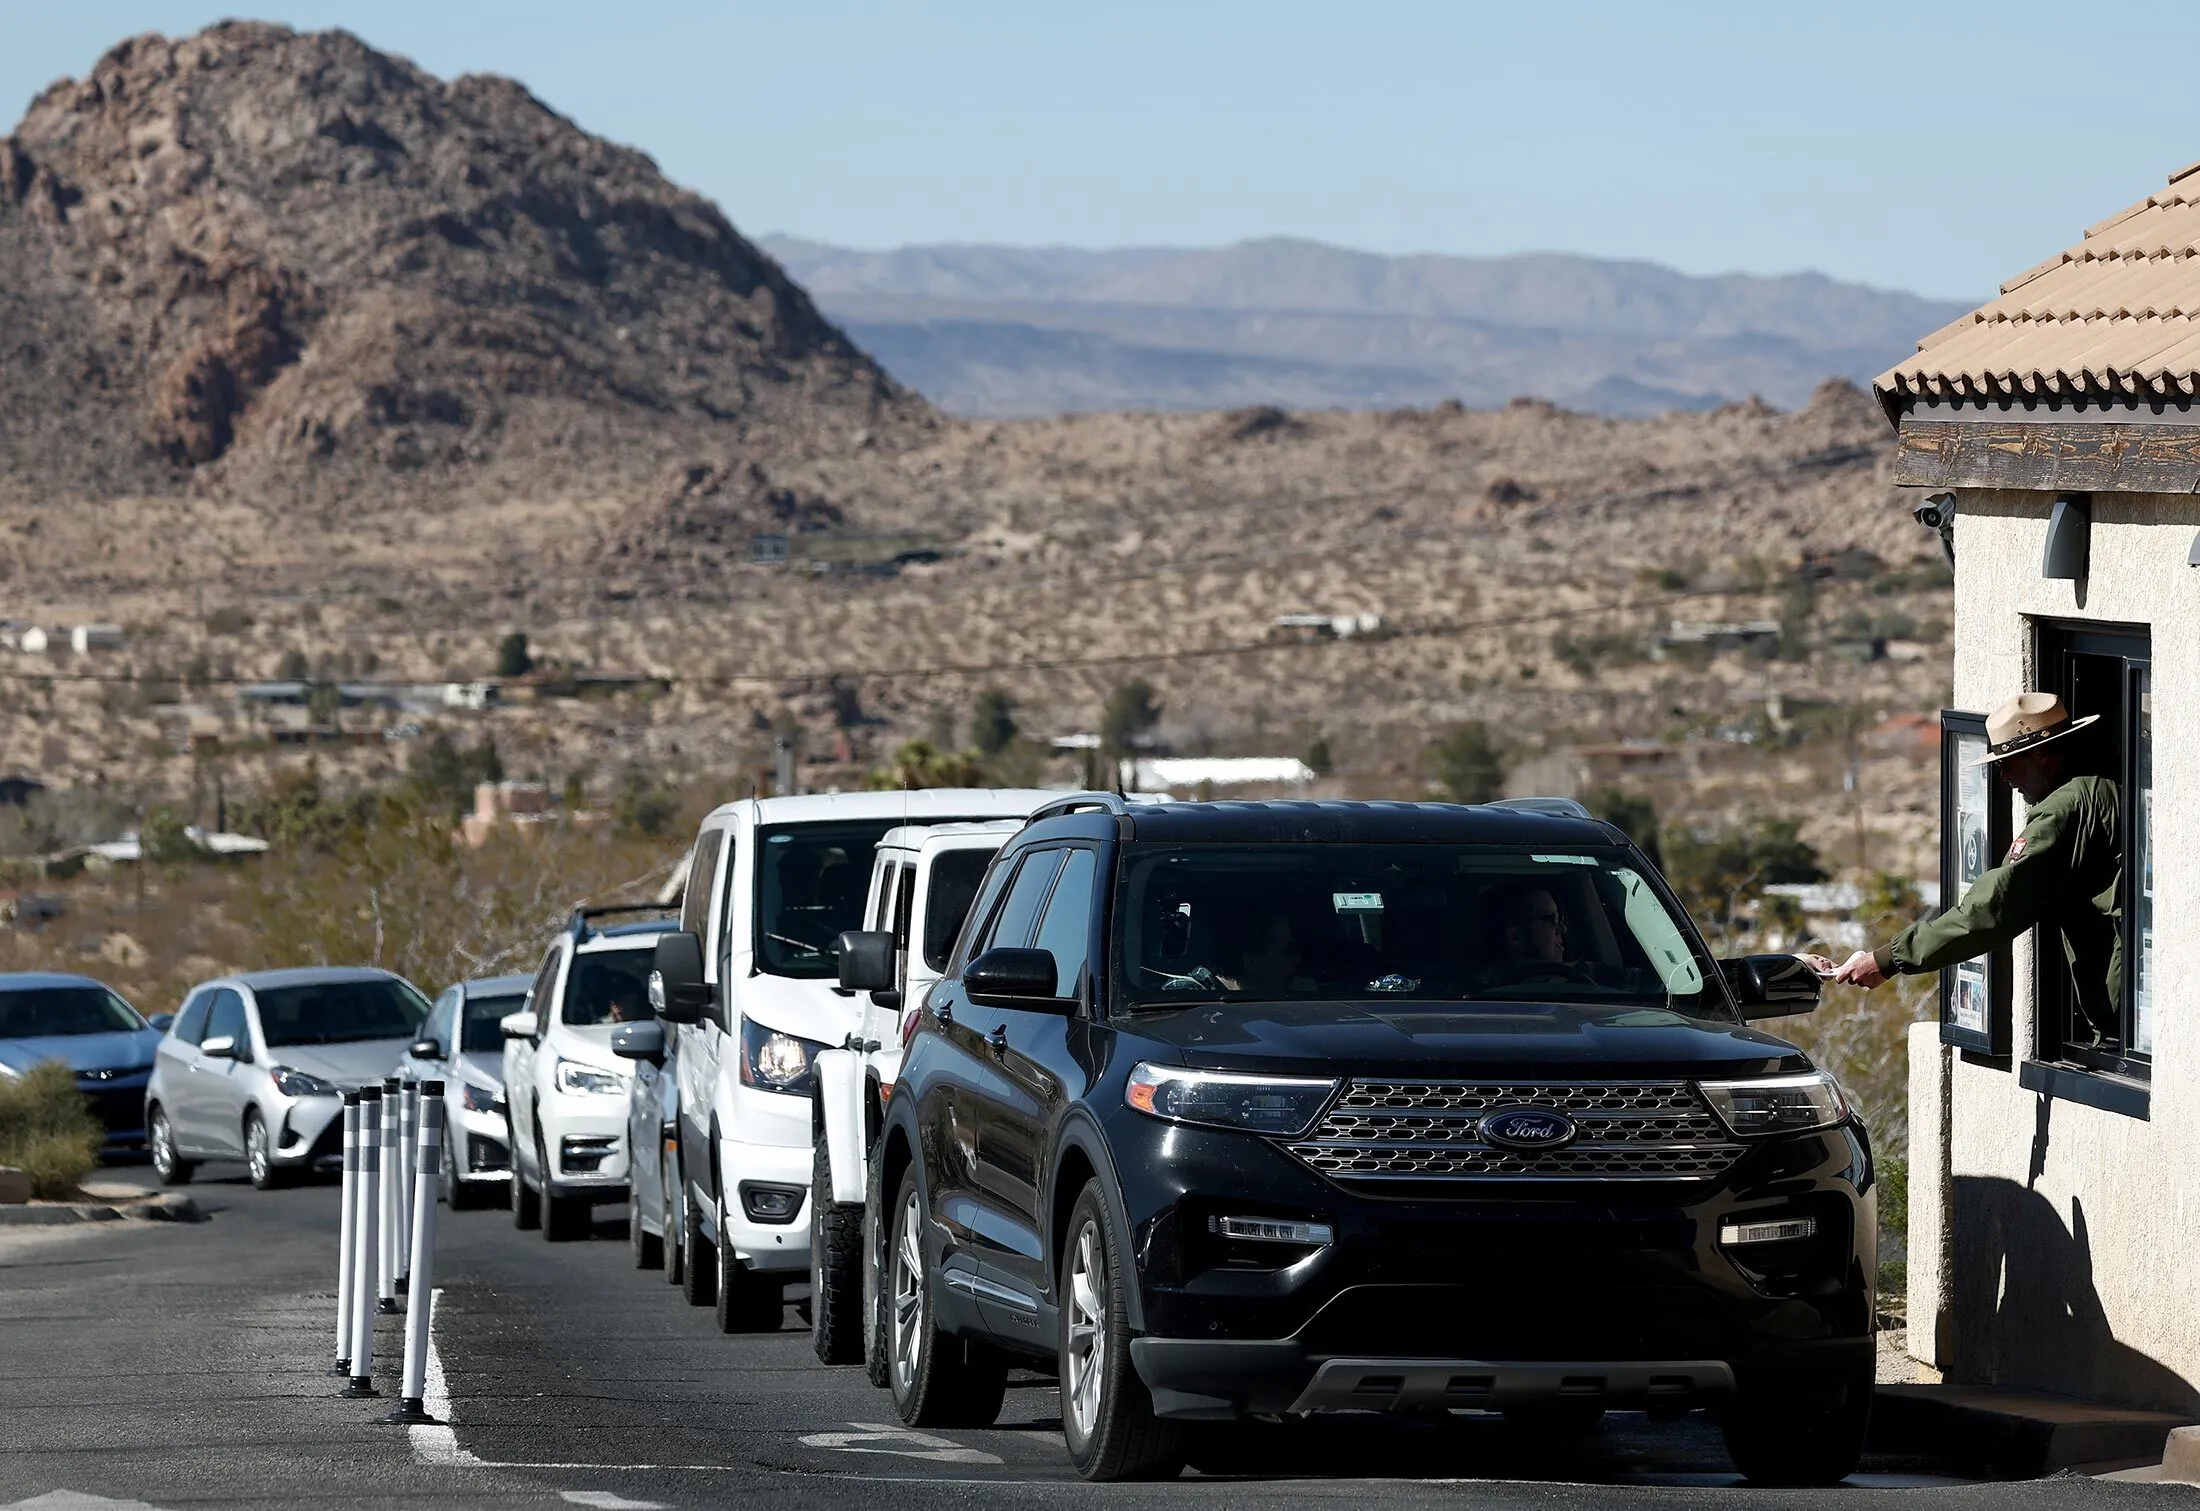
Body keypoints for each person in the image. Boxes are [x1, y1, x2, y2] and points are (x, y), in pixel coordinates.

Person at [1833, 691, 2122, 1043]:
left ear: (2043, 754)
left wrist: (1890, 959)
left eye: (2008, 762)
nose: (2004, 777)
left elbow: (1992, 906)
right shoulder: (2100, 787)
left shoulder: (2062, 810)